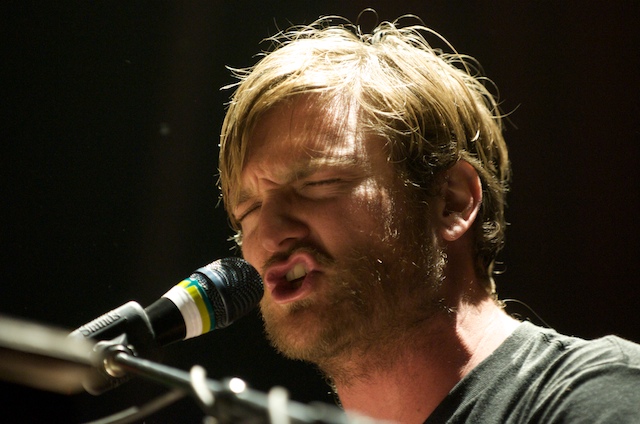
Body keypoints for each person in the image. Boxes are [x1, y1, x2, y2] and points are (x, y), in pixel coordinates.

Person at [217, 16, 640, 423]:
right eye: (248, 210)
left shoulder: (597, 396)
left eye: (318, 182)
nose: (269, 234)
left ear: (452, 201)